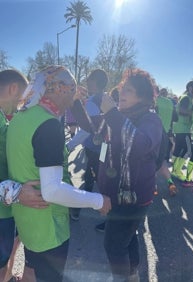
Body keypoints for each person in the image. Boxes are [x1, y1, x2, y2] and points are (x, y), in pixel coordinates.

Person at [6, 65, 111, 282]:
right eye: (71, 92)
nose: (72, 101)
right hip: (49, 228)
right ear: (56, 90)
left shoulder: (21, 117)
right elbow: (52, 191)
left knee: (32, 270)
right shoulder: (48, 124)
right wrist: (98, 200)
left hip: (27, 222)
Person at [98, 68, 163, 281]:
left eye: (129, 90)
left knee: (113, 245)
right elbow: (94, 134)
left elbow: (139, 144)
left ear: (142, 97)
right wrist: (79, 104)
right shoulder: (119, 115)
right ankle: (132, 274)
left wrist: (111, 114)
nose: (121, 93)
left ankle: (124, 278)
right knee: (127, 238)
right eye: (122, 88)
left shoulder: (150, 119)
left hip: (133, 197)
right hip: (114, 194)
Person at [0, 69, 49, 282]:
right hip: (3, 209)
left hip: (7, 210)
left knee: (9, 249)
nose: (24, 102)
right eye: (23, 94)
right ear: (13, 88)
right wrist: (17, 192)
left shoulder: (4, 116)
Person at [68, 69, 108, 221]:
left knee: (92, 176)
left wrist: (69, 145)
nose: (86, 81)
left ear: (94, 82)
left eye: (89, 79)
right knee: (100, 175)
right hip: (104, 146)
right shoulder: (106, 98)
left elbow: (86, 129)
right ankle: (104, 210)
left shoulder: (92, 102)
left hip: (92, 147)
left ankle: (78, 210)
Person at [172, 81, 193, 181]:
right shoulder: (187, 98)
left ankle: (174, 171)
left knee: (178, 150)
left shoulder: (185, 97)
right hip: (183, 128)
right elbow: (182, 111)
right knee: (188, 150)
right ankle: (177, 171)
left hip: (180, 128)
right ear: (190, 87)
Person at [155, 88, 178, 196]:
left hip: (154, 135)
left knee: (150, 161)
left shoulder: (152, 102)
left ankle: (153, 187)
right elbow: (176, 118)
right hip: (166, 135)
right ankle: (170, 183)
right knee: (163, 162)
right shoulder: (169, 102)